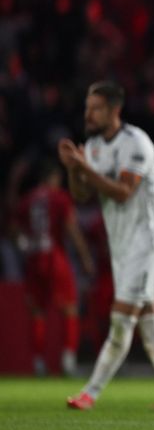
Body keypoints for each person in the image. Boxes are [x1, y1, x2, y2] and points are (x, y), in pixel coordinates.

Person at [58, 80, 154, 411]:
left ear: (114, 110)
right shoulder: (93, 146)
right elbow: (82, 195)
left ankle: (90, 393)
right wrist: (75, 171)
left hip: (146, 243)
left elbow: (122, 192)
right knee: (147, 320)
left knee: (121, 320)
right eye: (87, 107)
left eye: (96, 108)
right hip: (121, 247)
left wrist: (84, 168)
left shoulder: (137, 144)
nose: (88, 114)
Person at [9, 161, 95, 376]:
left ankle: (38, 362)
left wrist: (24, 244)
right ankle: (68, 360)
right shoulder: (60, 198)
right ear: (54, 178)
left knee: (37, 311)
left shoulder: (27, 200)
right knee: (70, 308)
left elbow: (13, 228)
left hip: (33, 259)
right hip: (55, 256)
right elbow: (71, 228)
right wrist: (85, 257)